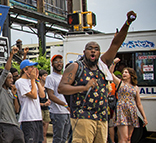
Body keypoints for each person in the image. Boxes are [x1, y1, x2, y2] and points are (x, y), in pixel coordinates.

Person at [58, 11, 137, 143]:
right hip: (83, 116)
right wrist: (84, 87)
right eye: (90, 48)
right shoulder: (76, 67)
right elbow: (61, 88)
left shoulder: (102, 65)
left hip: (101, 117)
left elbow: (116, 44)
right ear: (84, 52)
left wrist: (127, 23)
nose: (93, 50)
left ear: (99, 52)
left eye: (96, 48)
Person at [110, 58, 148, 143]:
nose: (124, 74)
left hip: (132, 111)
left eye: (126, 72)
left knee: (129, 138)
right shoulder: (120, 83)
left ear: (131, 74)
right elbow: (111, 73)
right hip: (122, 110)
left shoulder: (135, 87)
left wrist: (144, 117)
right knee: (124, 137)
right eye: (123, 72)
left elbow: (139, 103)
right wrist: (113, 63)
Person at [0, 47, 25, 143]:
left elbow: (17, 110)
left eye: (12, 78)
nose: (12, 80)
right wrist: (11, 56)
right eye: (9, 78)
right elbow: (6, 71)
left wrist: (15, 95)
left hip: (15, 125)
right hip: (4, 125)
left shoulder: (10, 92)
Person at [15, 59, 45, 143]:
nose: (34, 69)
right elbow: (34, 95)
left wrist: (37, 80)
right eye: (31, 67)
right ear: (25, 70)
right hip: (28, 118)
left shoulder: (33, 81)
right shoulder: (20, 82)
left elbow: (42, 95)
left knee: (38, 140)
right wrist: (32, 80)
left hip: (37, 117)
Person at [45, 55, 70, 143]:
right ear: (52, 64)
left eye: (60, 61)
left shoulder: (64, 77)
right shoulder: (50, 77)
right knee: (58, 139)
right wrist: (65, 104)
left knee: (64, 138)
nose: (59, 63)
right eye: (56, 62)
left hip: (67, 112)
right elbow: (51, 96)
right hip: (58, 112)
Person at [38, 69, 51, 143]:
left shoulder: (47, 87)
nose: (46, 77)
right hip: (39, 109)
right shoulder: (37, 87)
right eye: (44, 75)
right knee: (39, 132)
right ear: (40, 77)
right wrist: (43, 104)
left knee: (44, 133)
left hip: (46, 109)